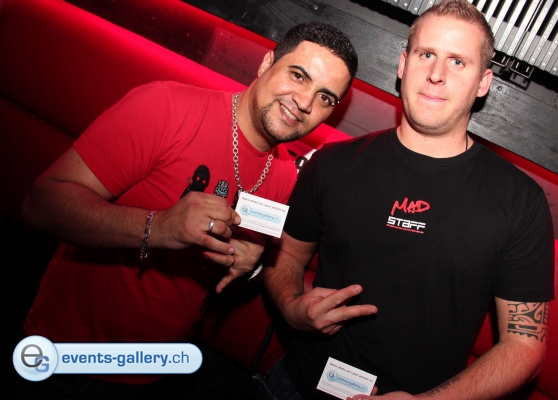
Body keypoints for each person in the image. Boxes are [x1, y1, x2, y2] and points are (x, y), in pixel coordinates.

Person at [17, 22, 357, 398]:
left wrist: (248, 269)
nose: (305, 102)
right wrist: (158, 226)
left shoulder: (284, 176)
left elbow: (228, 281)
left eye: (325, 97)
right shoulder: (166, 106)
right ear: (266, 64)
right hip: (69, 355)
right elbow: (40, 204)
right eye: (298, 75)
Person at [260, 1, 555, 399]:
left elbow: (524, 347)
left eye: (457, 62)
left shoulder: (520, 201)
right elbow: (286, 257)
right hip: (296, 386)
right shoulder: (333, 163)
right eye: (426, 54)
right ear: (402, 64)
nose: (436, 74)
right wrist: (292, 307)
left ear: (483, 82)